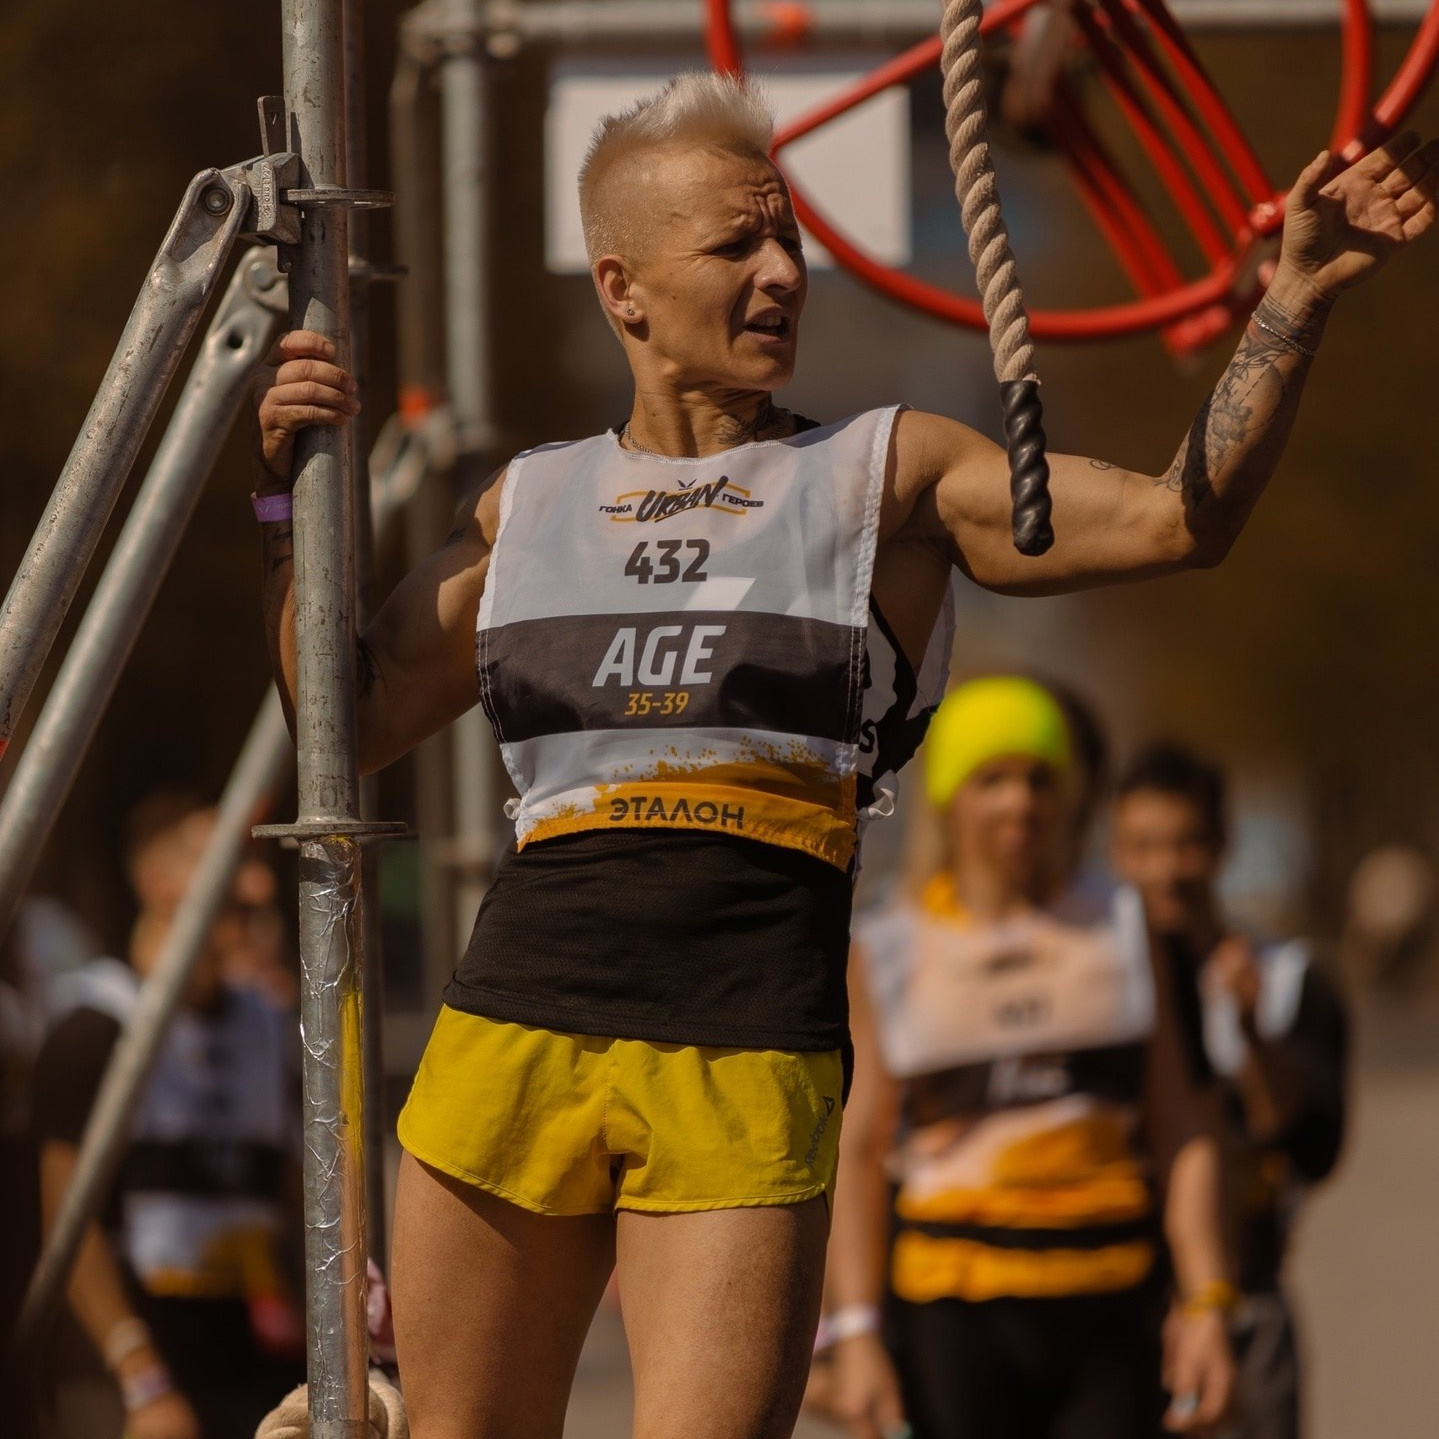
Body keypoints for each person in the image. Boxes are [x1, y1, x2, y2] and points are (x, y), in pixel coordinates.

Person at [250, 71, 1435, 1439]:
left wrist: (1291, 302)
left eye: (787, 239)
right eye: (733, 245)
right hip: (507, 1034)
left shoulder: (886, 475)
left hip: (742, 1045)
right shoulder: (527, 500)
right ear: (623, 289)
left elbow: (1177, 519)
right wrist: (282, 496)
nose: (779, 273)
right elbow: (345, 722)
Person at [818, 678, 1233, 1439]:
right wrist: (856, 1333)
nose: (1020, 802)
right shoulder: (889, 946)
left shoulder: (1124, 924)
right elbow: (861, 1152)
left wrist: (1206, 1300)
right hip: (951, 1312)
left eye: (1040, 778)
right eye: (992, 779)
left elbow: (1184, 1127)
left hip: (1110, 1302)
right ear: (950, 798)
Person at [28, 796, 304, 1439]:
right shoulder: (95, 1026)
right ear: (158, 883)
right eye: (232, 864)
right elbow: (66, 1225)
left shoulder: (269, 1025)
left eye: (257, 866)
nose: (258, 887)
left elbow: (296, 1196)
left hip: (254, 1362)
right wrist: (141, 1377)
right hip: (137, 1377)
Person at [1112, 745, 1348, 1439]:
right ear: (1115, 851)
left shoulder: (1288, 979)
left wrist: (1249, 1031)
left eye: (1185, 844)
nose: (1165, 870)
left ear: (1221, 846)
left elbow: (1313, 1148)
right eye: (1142, 846)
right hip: (1111, 1309)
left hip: (1246, 1303)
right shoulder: (1090, 984)